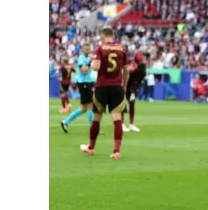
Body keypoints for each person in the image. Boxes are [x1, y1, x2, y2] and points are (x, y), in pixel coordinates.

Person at [80, 26, 129, 160]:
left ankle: (91, 148)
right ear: (113, 36)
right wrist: (124, 86)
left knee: (96, 119)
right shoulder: (122, 49)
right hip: (117, 87)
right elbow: (127, 71)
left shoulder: (100, 48)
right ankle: (116, 151)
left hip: (102, 86)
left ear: (102, 37)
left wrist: (91, 62)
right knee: (117, 119)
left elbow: (95, 67)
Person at [60, 45, 95, 133]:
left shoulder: (86, 58)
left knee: (84, 108)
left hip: (87, 83)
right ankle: (93, 128)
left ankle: (66, 122)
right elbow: (84, 70)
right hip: (84, 84)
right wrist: (90, 62)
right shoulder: (82, 58)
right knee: (90, 105)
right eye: (87, 49)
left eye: (89, 49)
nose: (89, 50)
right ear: (83, 50)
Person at [122, 53, 147, 132]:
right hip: (123, 84)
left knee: (132, 104)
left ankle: (131, 124)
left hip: (131, 86)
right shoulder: (129, 64)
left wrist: (134, 91)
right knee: (122, 105)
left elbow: (137, 81)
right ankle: (121, 124)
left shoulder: (140, 70)